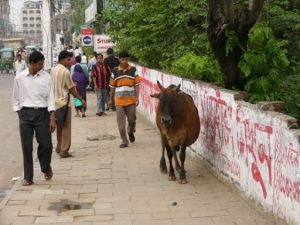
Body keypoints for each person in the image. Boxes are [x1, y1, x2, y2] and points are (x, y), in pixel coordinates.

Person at [12, 51, 56, 186]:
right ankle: (28, 177)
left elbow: (51, 98)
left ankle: (45, 166)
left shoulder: (46, 77)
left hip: (42, 114)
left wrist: (52, 118)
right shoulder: (19, 78)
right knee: (26, 147)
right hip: (25, 115)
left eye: (42, 64)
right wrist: (20, 115)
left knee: (47, 145)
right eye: (40, 64)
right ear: (31, 63)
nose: (42, 66)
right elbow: (15, 99)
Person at [51, 50, 86, 158]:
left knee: (59, 127)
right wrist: (81, 99)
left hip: (54, 103)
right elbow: (72, 89)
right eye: (68, 59)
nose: (70, 61)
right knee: (66, 127)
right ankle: (64, 150)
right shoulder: (65, 71)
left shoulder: (53, 69)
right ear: (62, 59)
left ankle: (58, 147)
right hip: (64, 102)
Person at [108, 50, 141, 148]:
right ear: (119, 60)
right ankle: (124, 141)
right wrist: (110, 100)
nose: (125, 61)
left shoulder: (133, 70)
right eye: (123, 59)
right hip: (119, 101)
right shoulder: (115, 71)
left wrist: (137, 97)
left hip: (131, 100)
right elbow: (112, 87)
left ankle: (130, 131)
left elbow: (137, 85)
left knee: (132, 120)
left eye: (126, 59)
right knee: (121, 123)